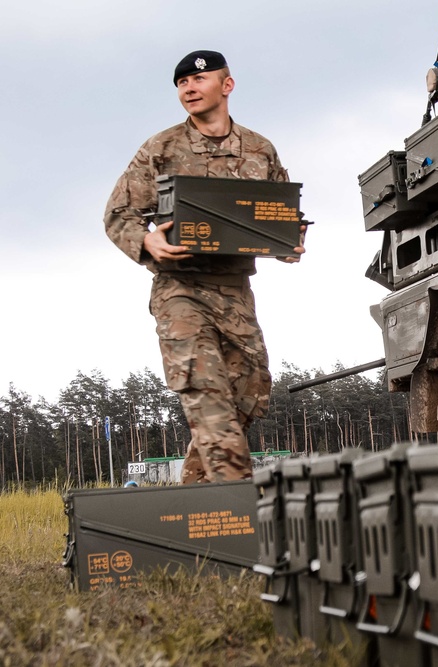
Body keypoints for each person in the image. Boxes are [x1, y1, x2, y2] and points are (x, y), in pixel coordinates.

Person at [104, 50, 303, 484]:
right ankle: (240, 510)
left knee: (249, 395)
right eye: (181, 84)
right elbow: (119, 215)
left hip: (235, 290)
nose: (188, 89)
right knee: (207, 394)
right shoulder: (161, 148)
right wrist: (147, 239)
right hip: (180, 290)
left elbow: (282, 212)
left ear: (226, 86)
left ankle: (196, 500)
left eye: (198, 80)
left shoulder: (259, 149)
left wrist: (291, 241)